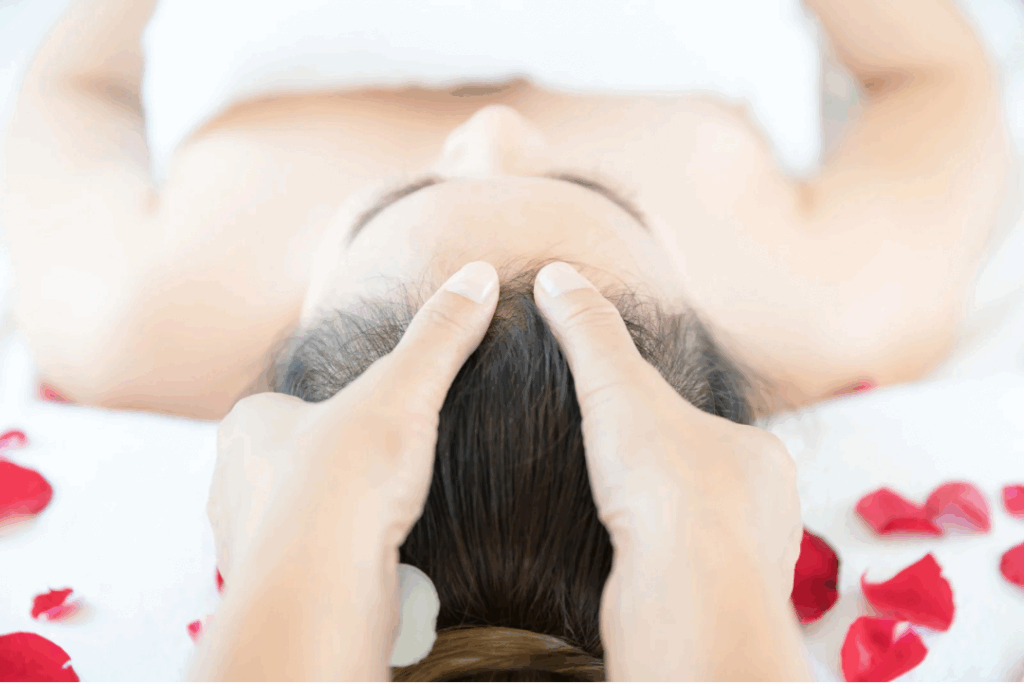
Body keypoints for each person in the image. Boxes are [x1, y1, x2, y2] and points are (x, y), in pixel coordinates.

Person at [0, 0, 1015, 679]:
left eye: (398, 193)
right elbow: (929, 75)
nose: (492, 129)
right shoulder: (825, 300)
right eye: (598, 189)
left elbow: (72, 87)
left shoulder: (135, 312)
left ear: (277, 435)